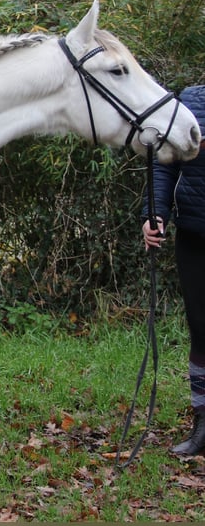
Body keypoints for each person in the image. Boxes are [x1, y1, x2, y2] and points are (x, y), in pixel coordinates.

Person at [141, 84, 205, 455]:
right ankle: (203, 424)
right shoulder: (191, 100)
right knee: (201, 327)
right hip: (195, 233)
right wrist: (155, 214)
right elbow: (164, 162)